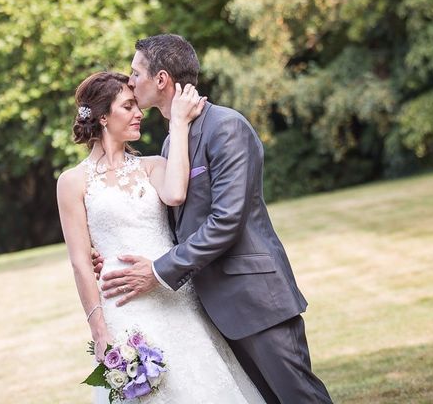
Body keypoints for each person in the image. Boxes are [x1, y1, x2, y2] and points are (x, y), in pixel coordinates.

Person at [96, 34, 333, 404]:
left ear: (161, 80)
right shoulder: (172, 142)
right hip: (210, 307)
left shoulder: (226, 127)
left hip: (255, 299)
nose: (130, 82)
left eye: (135, 72)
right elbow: (169, 224)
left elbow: (226, 221)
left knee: (299, 398)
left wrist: (158, 271)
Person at [56, 71, 265, 403]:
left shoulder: (152, 166)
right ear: (104, 117)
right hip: (123, 307)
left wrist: (178, 123)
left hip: (175, 296)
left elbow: (176, 193)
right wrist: (99, 331)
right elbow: (81, 264)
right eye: (128, 106)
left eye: (137, 105)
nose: (139, 113)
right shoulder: (72, 182)